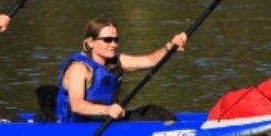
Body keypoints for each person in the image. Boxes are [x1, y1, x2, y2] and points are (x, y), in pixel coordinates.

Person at [54, 16, 187, 122]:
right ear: (90, 42)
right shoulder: (79, 68)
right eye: (107, 40)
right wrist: (107, 110)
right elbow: (77, 105)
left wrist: (170, 47)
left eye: (116, 40)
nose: (113, 45)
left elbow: (150, 60)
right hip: (76, 128)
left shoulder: (116, 61)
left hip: (105, 121)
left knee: (155, 112)